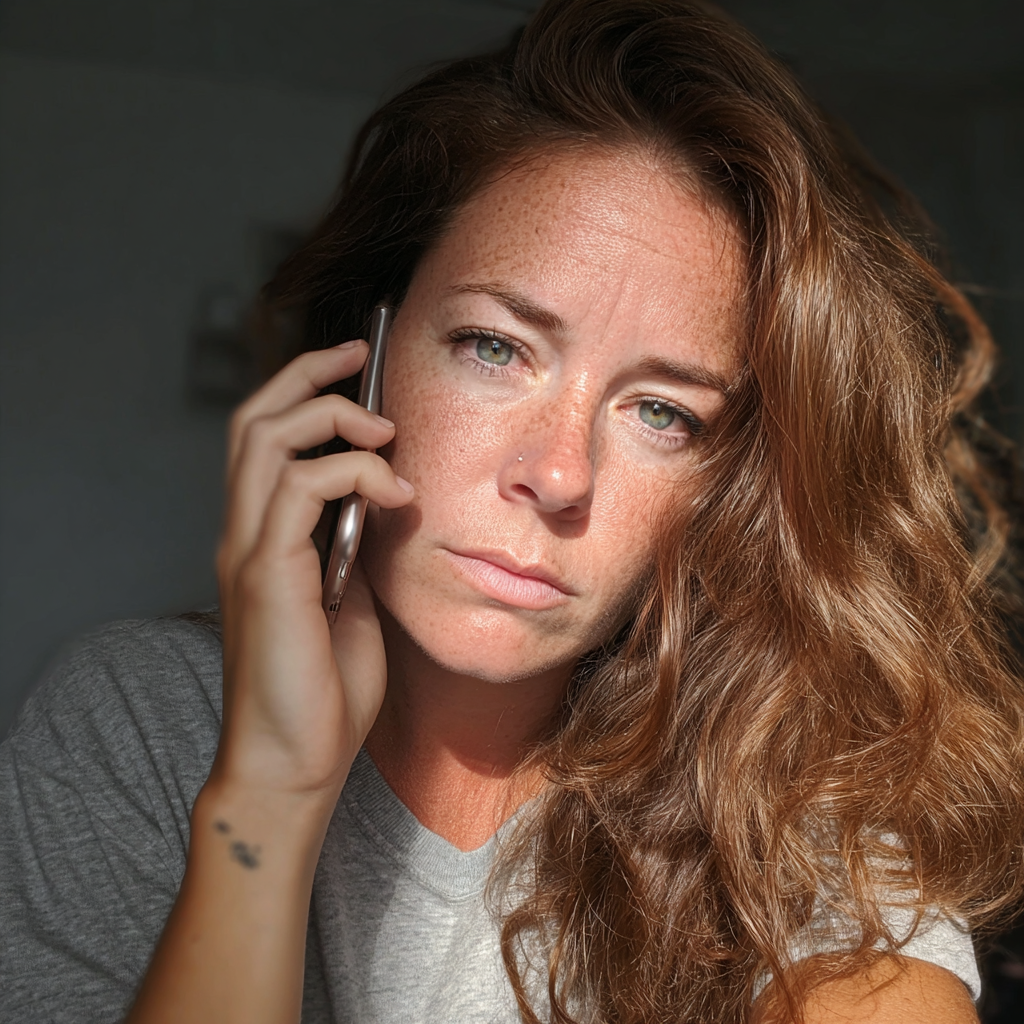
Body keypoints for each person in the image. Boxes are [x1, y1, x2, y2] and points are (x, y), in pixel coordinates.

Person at [2, 1, 1023, 1021]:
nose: (560, 474)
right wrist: (269, 795)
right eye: (495, 348)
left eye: (661, 412)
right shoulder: (137, 720)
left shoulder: (787, 782)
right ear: (366, 356)